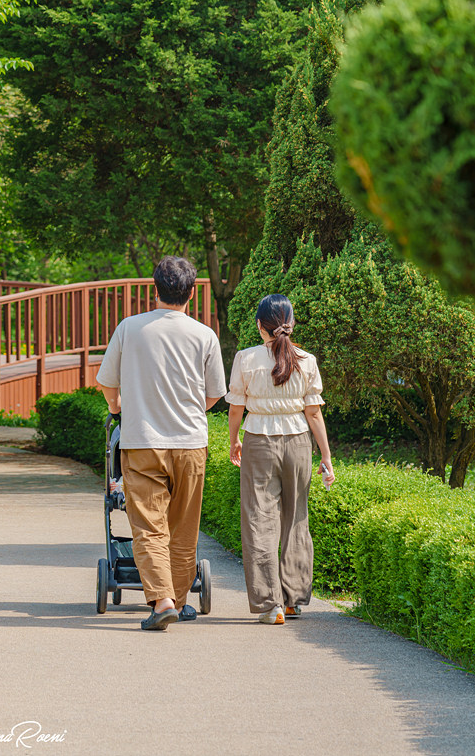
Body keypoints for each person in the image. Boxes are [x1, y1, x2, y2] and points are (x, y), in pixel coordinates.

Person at [96, 256, 226, 631]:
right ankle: (179, 601)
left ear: (156, 289)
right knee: (183, 529)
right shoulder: (205, 335)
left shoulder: (129, 328)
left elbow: (107, 381)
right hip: (190, 443)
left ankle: (163, 599)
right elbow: (215, 394)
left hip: (142, 443)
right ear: (191, 291)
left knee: (149, 527)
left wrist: (117, 406)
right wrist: (187, 410)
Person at [227, 294, 335, 625]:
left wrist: (233, 440)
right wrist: (326, 456)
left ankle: (269, 604)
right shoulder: (307, 360)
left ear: (260, 325)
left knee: (260, 519)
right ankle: (294, 600)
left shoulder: (245, 359)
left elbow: (236, 408)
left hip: (259, 440)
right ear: (292, 323)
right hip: (300, 442)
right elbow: (313, 413)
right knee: (296, 517)